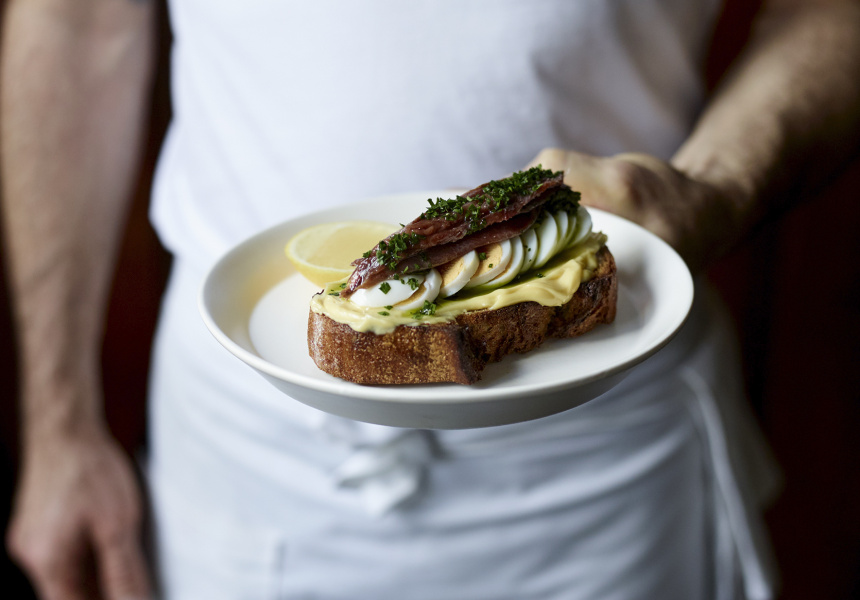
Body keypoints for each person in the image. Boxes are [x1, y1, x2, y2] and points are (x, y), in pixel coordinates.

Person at [2, 0, 859, 599]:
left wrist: (717, 185)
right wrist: (60, 424)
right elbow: (75, 19)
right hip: (245, 446)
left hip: (609, 448)